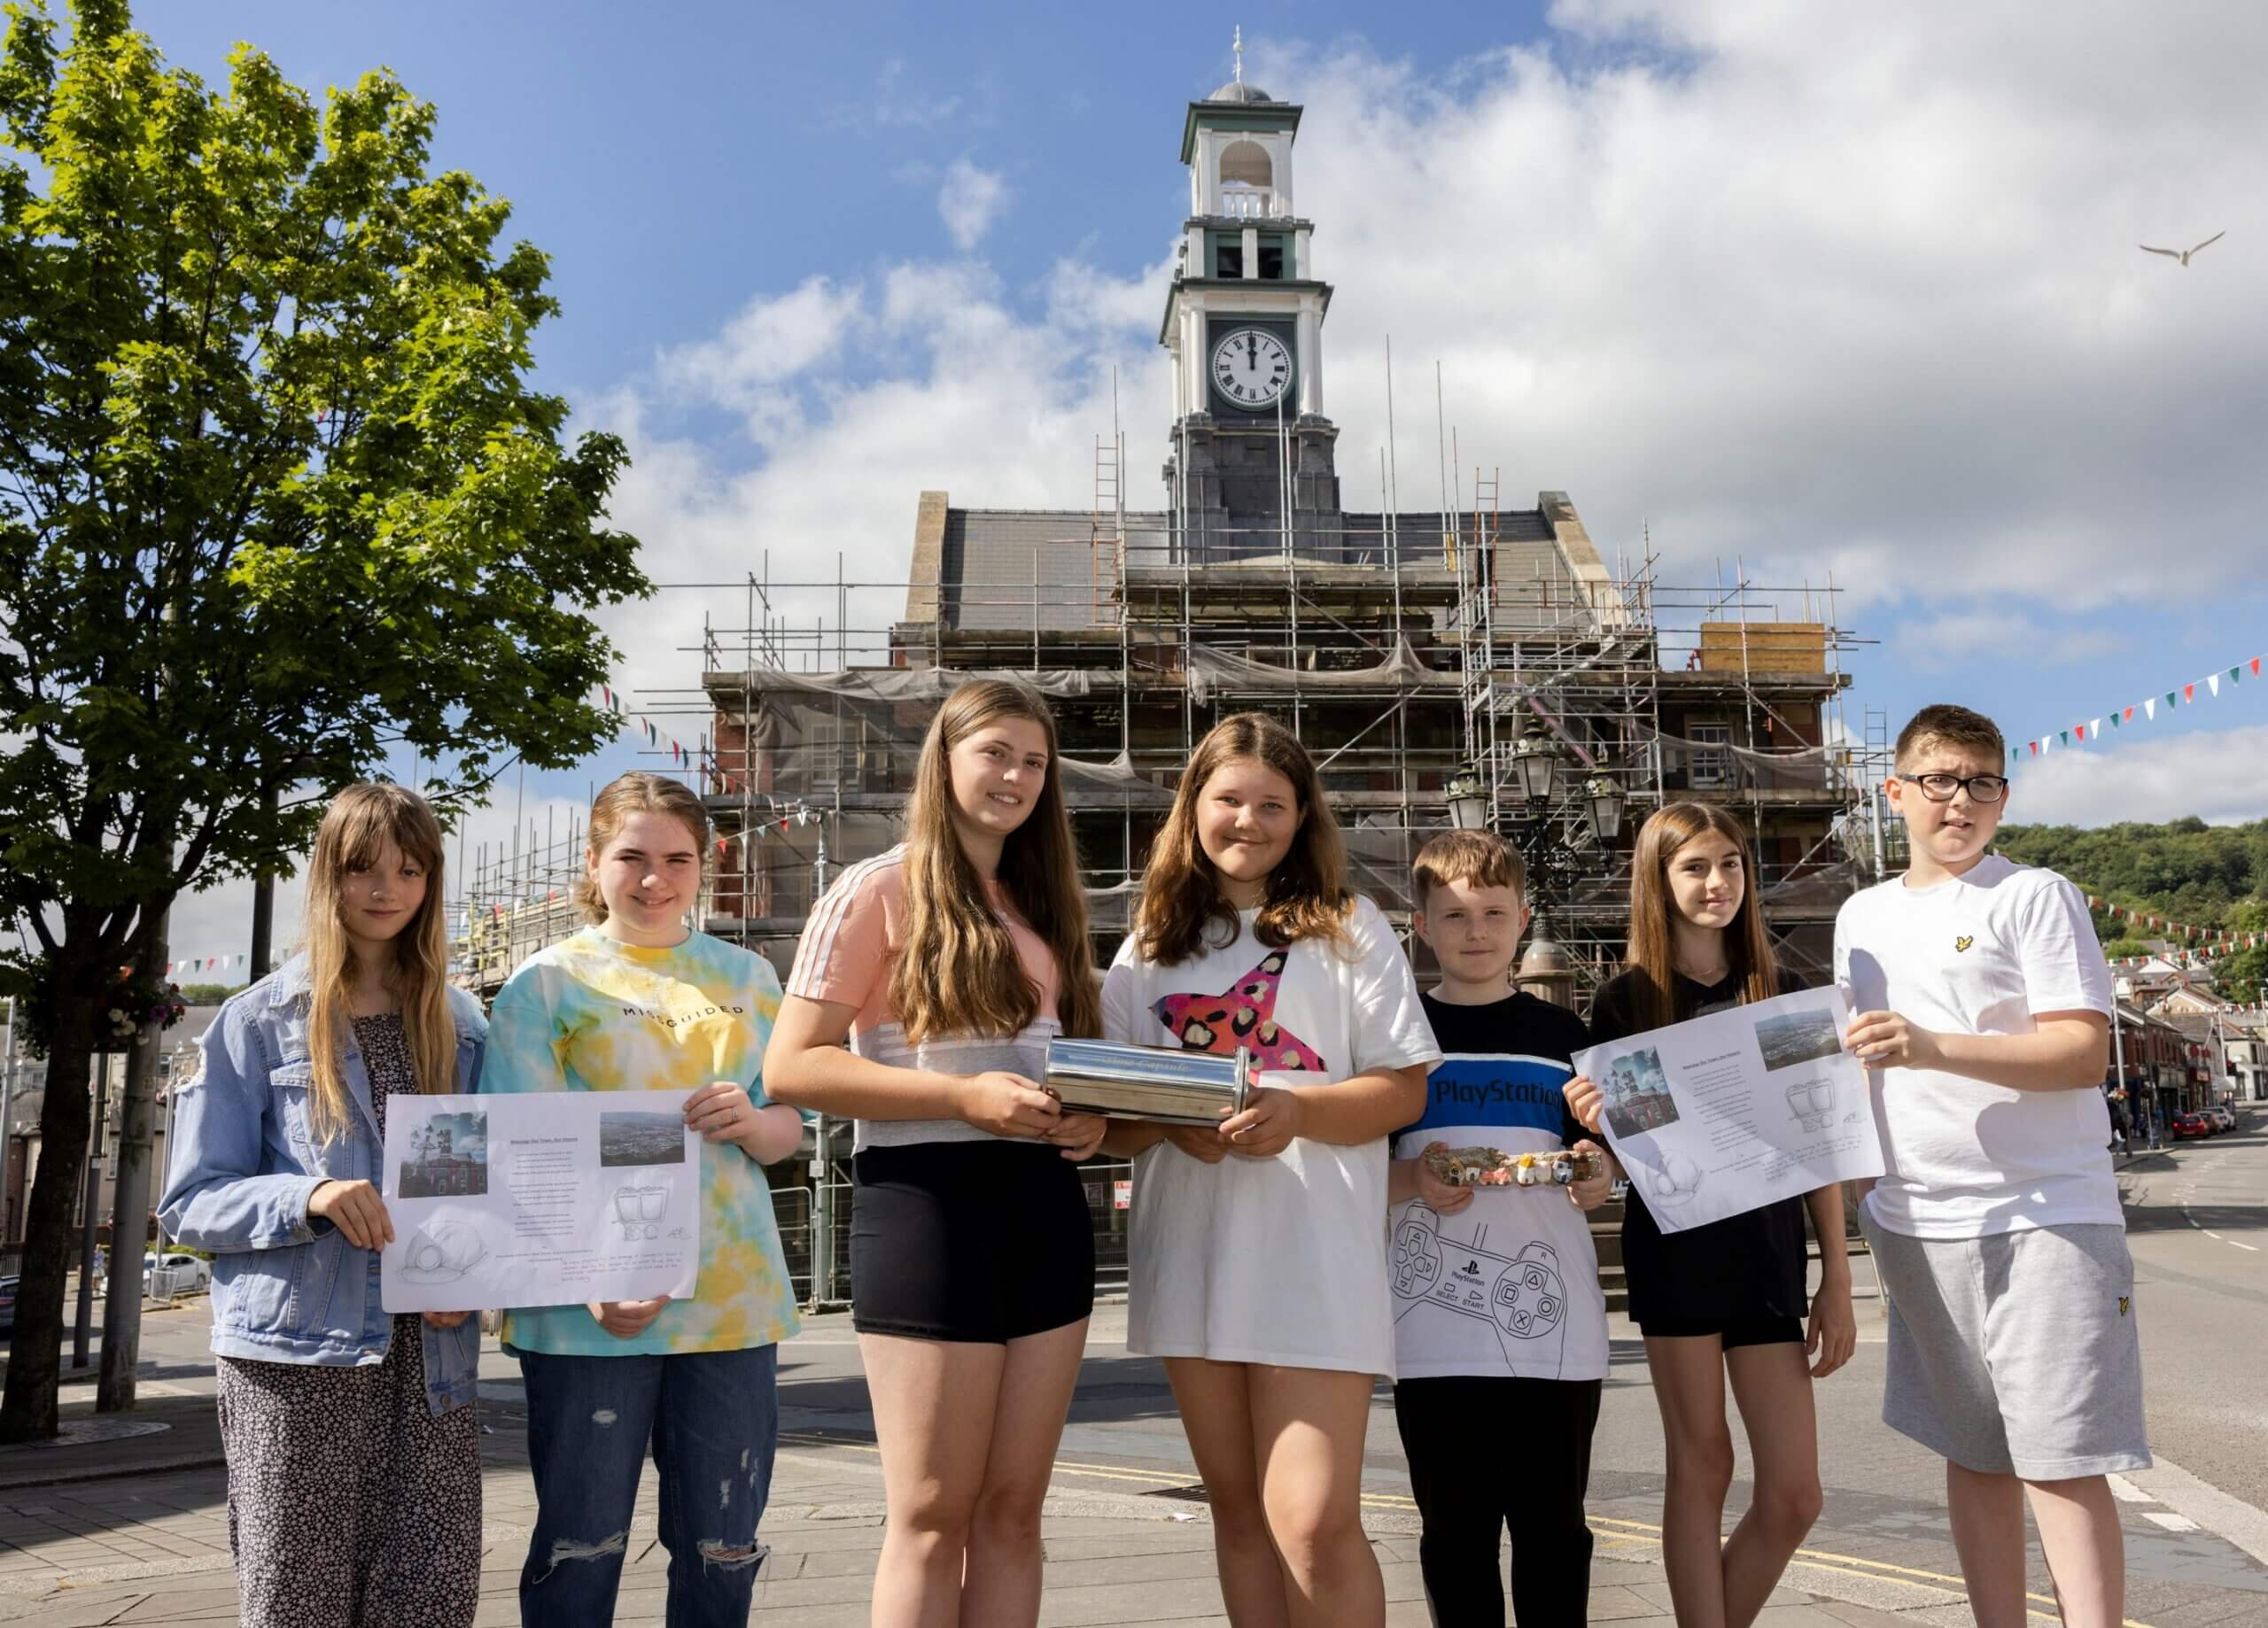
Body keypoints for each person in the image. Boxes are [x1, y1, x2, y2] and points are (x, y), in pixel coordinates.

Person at [764, 679, 1108, 1628]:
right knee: (928, 1512)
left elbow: (1069, 1069)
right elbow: (791, 1064)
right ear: (946, 760)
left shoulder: (1047, 906)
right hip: (926, 1204)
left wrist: (1093, 1122)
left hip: (1042, 1210)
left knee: (1012, 1512)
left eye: (1034, 761)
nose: (1016, 776)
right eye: (996, 752)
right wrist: (962, 1095)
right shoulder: (877, 886)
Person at [1099, 711, 1440, 1628]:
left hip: (1315, 1252)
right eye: (1228, 799)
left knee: (1314, 1520)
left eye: (1272, 805)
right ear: (1192, 806)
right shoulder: (1147, 947)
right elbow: (1117, 1118)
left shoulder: (1350, 926)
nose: (1247, 821)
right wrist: (1174, 1127)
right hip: (1192, 1250)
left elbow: (1403, 1089)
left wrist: (1297, 1112)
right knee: (1241, 1513)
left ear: (1301, 817)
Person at [1837, 704, 2143, 1628]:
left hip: (2041, 1210)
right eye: (1938, 779)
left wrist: (1931, 1045)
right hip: (1914, 1222)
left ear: (2003, 796)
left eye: (1981, 782)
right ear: (1895, 792)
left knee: (2058, 1457)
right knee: (1973, 1455)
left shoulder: (2032, 894)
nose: (1959, 800)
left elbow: (2081, 1052)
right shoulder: (1860, 914)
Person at [159, 783, 487, 1627]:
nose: (388, 890)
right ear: (326, 876)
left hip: (431, 1364)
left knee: (430, 1599)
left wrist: (471, 1278)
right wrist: (310, 1195)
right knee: (294, 1600)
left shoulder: (461, 1026)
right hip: (295, 1362)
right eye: (363, 869)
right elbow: (190, 1203)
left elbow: (475, 1191)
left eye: (411, 870)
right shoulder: (254, 1022)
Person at [483, 771, 805, 1625]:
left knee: (723, 1548)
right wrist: (588, 1273)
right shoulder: (544, 984)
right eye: (631, 857)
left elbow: (789, 1135)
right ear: (594, 863)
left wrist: (751, 1120)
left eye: (677, 858)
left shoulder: (750, 977)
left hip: (731, 1305)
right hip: (587, 1313)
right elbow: (520, 1155)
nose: (654, 878)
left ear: (706, 866)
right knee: (579, 1547)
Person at [1565, 802, 1854, 1628]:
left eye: (1729, 864)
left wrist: (1836, 1276)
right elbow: (1635, 1156)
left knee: (1796, 1493)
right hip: (1676, 1255)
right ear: (1658, 880)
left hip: (1769, 1260)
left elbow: (1819, 1145)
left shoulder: (1782, 990)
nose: (1717, 882)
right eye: (1694, 867)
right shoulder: (1629, 1002)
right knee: (1703, 1461)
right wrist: (1597, 1128)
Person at [1388, 829, 1613, 1625]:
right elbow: (1358, 1182)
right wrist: (1411, 1179)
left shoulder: (1568, 1041)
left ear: (1523, 918)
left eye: (1491, 913)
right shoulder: (1396, 1041)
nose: (1475, 932)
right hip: (1430, 1335)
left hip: (1558, 1333)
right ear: (1421, 926)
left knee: (1556, 1533)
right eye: (1452, 916)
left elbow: (1603, 1167)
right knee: (1455, 1537)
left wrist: (1595, 1176)